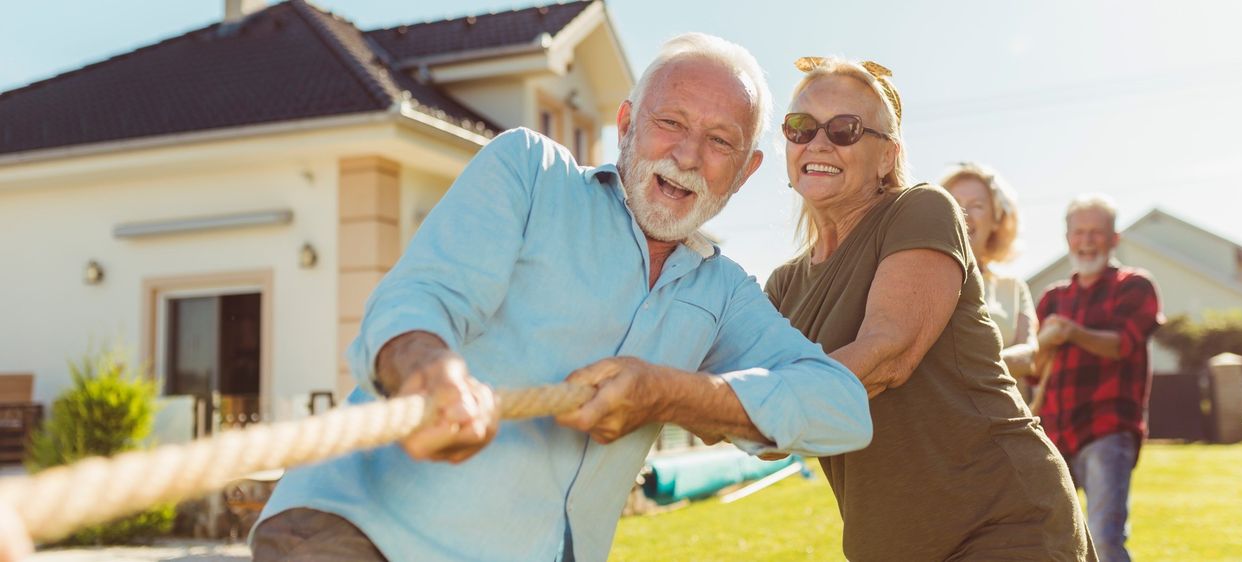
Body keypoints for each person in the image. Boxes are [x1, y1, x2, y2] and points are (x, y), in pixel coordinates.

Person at [251, 34, 872, 562]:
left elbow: (842, 408)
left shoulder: (725, 293)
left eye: (719, 142)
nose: (687, 155)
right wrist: (429, 373)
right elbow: (424, 296)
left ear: (745, 170)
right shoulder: (530, 172)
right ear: (627, 125)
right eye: (671, 123)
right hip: (355, 533)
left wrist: (675, 394)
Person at [764, 56, 1093, 560]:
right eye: (801, 127)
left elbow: (886, 354)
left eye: (846, 129)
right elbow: (765, 426)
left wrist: (735, 405)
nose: (819, 142)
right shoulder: (784, 285)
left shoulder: (921, 209)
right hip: (890, 543)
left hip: (1003, 520)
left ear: (887, 156)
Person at [1032, 194, 1163, 562]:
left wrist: (1072, 332)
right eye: (1079, 232)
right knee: (1051, 541)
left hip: (1108, 430)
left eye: (1096, 232)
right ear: (1067, 237)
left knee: (1104, 539)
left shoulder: (1134, 285)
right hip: (1054, 434)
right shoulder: (1052, 298)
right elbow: (1034, 368)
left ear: (1114, 238)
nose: (1087, 241)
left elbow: (1123, 345)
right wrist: (1045, 341)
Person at [942, 163, 1041, 402]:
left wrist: (968, 370)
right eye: (955, 204)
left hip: (1004, 420)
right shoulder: (924, 279)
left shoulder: (1014, 288)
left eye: (977, 206)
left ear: (997, 219)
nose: (964, 214)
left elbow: (1028, 355)